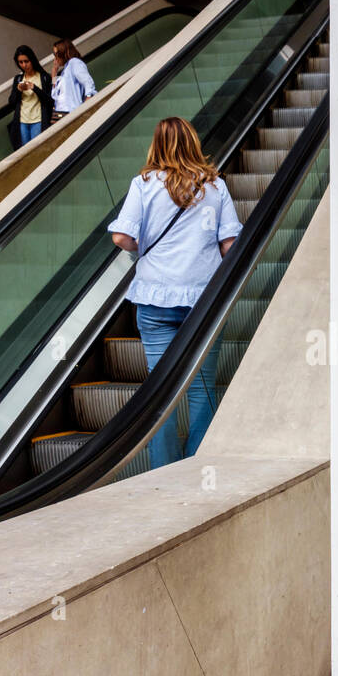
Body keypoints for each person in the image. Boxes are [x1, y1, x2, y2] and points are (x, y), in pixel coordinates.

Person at [108, 117, 242, 469]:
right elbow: (231, 245)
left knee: (160, 391)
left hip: (154, 297)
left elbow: (120, 237)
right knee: (201, 388)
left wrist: (147, 248)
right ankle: (198, 468)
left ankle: (162, 470)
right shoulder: (215, 187)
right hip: (204, 301)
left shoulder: (144, 184)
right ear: (193, 143)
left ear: (157, 145)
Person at [7, 45, 53, 150]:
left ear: (32, 60)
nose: (24, 65)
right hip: (22, 122)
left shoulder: (44, 77)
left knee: (38, 150)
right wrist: (19, 90)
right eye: (20, 62)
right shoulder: (18, 79)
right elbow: (11, 102)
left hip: (38, 120)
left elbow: (50, 101)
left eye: (26, 61)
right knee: (25, 152)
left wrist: (34, 88)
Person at [51, 38, 96, 121]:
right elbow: (54, 95)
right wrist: (54, 73)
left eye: (56, 54)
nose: (55, 58)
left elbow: (88, 82)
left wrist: (88, 99)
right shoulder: (64, 71)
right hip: (58, 113)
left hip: (69, 112)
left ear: (63, 51)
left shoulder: (74, 62)